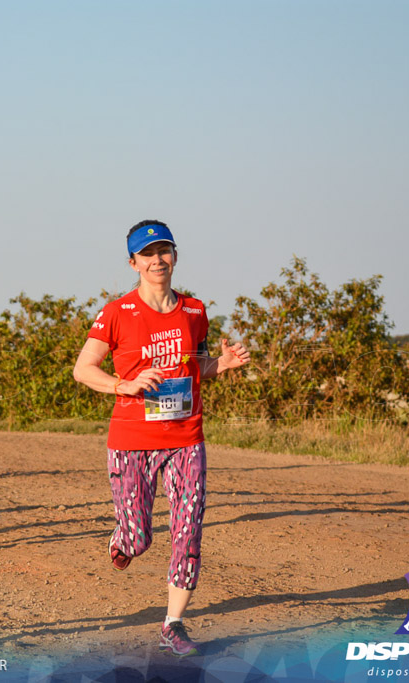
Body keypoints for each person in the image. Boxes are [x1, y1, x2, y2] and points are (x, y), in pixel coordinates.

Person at [73, 219, 250, 658]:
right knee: (139, 538)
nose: (158, 260)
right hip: (131, 440)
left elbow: (196, 367)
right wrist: (123, 384)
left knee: (188, 531)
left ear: (175, 256)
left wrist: (221, 365)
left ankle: (173, 625)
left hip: (186, 438)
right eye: (147, 254)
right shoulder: (117, 312)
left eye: (164, 251)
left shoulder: (195, 310)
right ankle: (122, 540)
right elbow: (83, 369)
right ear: (133, 262)